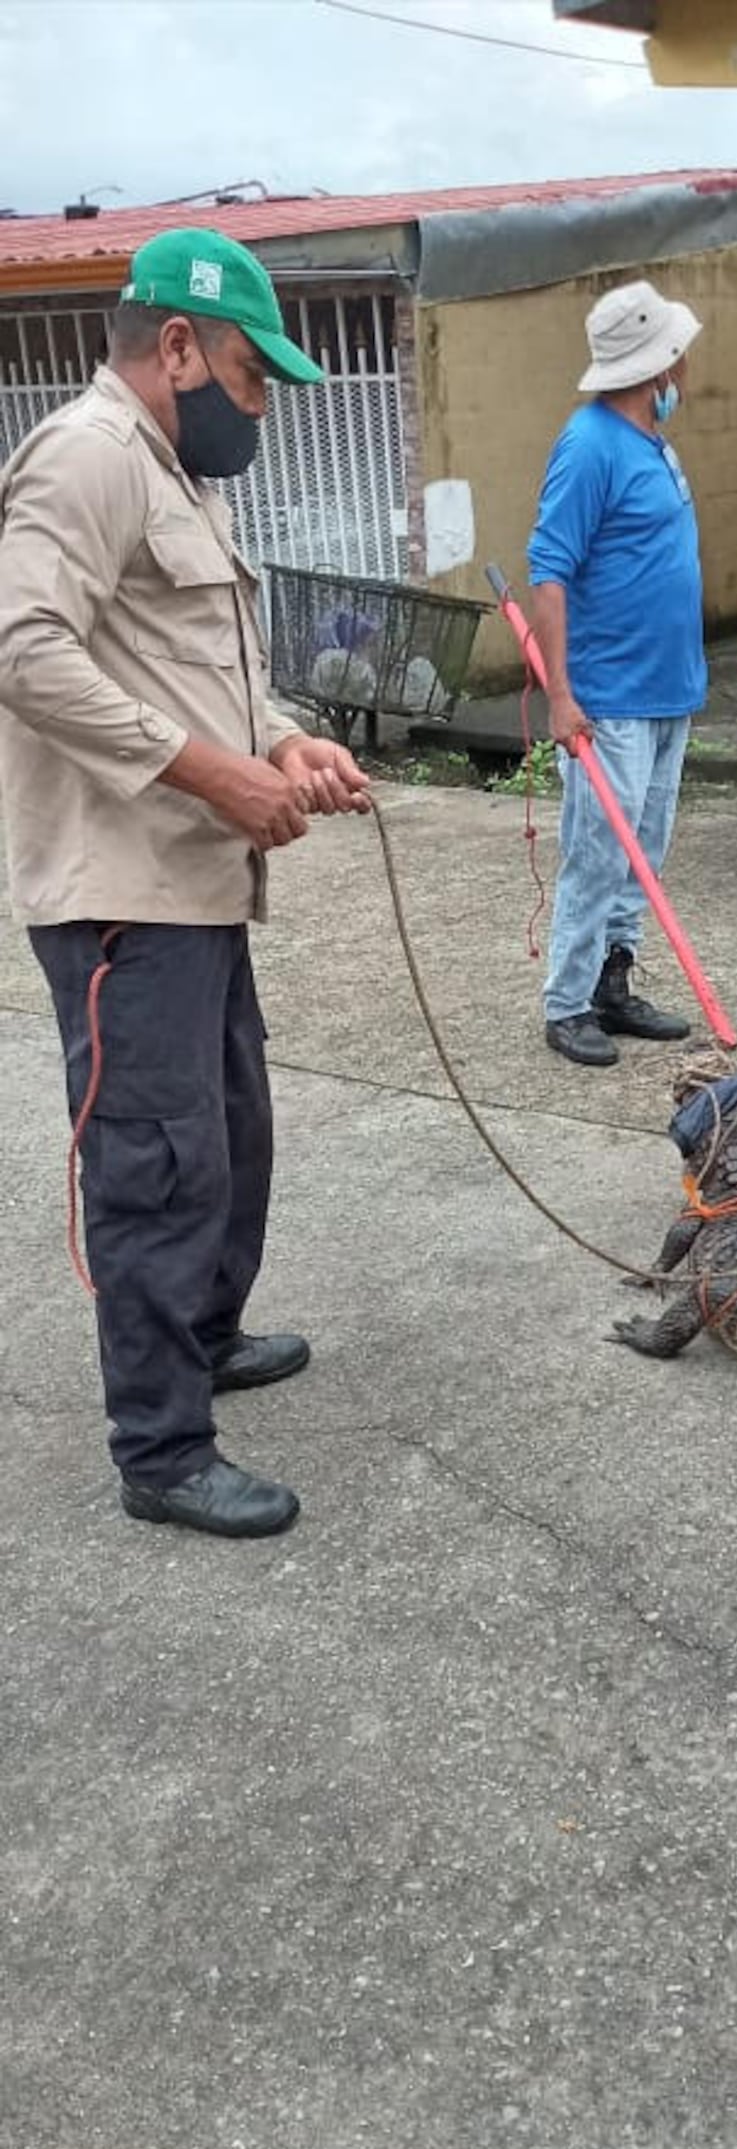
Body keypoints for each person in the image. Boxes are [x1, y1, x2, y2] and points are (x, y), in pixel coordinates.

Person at [0, 227, 372, 1537]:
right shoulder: (89, 458)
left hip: (195, 892)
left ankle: (203, 1337)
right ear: (175, 348)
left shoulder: (174, 474)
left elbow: (195, 660)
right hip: (122, 896)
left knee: (228, 1141)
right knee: (156, 1166)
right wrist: (215, 776)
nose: (260, 402)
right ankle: (160, 1448)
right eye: (250, 373)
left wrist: (280, 736)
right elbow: (23, 649)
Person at [527, 278, 707, 1066]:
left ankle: (614, 980)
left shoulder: (650, 441)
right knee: (601, 852)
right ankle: (567, 1002)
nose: (685, 370)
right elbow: (549, 570)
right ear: (657, 367)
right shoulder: (592, 444)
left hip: (671, 688)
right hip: (613, 696)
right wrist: (562, 696)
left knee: (645, 851)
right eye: (678, 357)